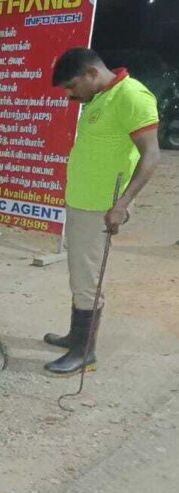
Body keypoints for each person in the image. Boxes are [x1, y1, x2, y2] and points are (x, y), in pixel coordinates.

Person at [44, 48, 161, 376]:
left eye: (71, 86)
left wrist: (121, 205)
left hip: (101, 206)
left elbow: (151, 156)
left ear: (92, 74)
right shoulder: (99, 97)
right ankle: (76, 336)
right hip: (82, 200)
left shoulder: (132, 96)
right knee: (79, 273)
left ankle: (85, 353)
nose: (70, 94)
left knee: (87, 279)